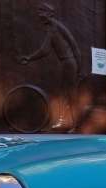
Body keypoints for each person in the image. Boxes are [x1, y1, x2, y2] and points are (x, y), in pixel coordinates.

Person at [20, 3, 86, 132]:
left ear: (49, 14)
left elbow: (73, 44)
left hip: (70, 63)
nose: (40, 17)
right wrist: (30, 58)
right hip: (65, 63)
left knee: (71, 94)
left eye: (42, 13)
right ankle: (63, 121)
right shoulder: (51, 29)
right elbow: (44, 50)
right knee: (62, 93)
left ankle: (77, 124)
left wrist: (81, 67)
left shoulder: (59, 27)